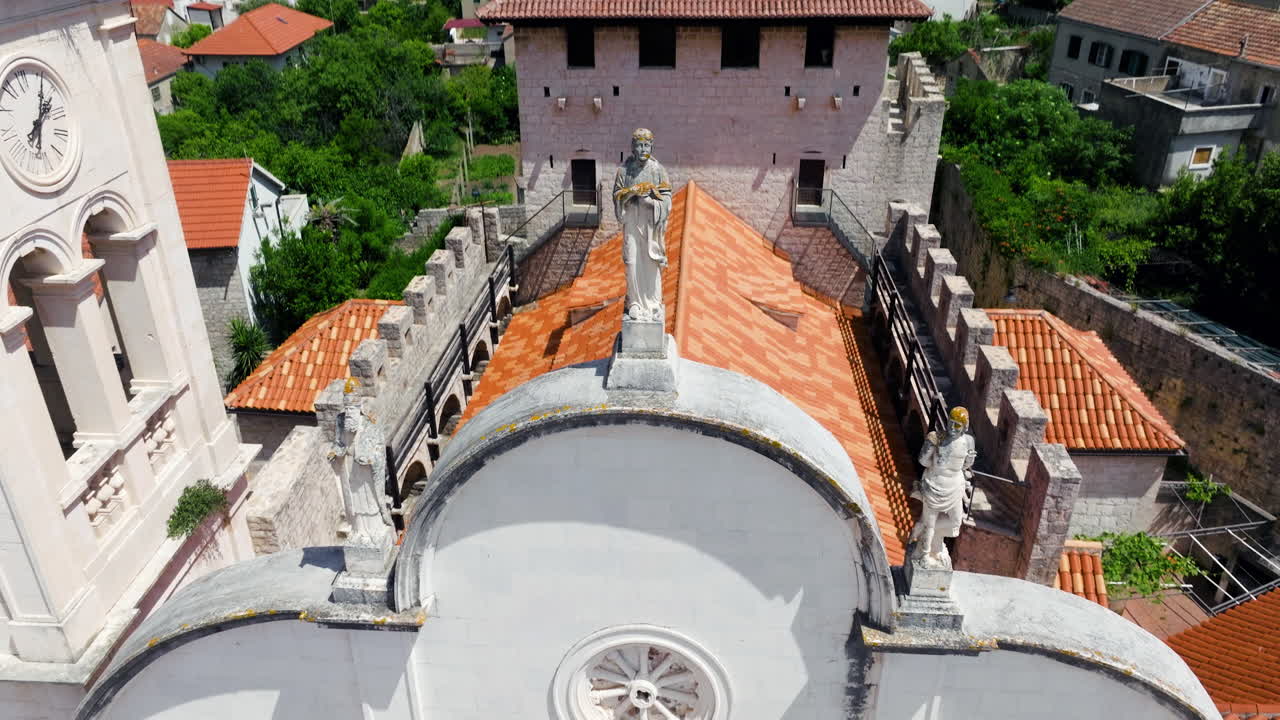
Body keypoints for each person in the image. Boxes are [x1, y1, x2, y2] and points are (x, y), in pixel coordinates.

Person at [612, 128, 672, 322]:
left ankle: (654, 303)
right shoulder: (624, 171)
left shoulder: (658, 170)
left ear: (652, 146)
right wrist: (631, 193)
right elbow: (617, 196)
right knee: (632, 261)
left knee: (650, 262)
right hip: (631, 222)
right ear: (632, 147)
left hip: (650, 224)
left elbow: (667, 199)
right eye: (639, 145)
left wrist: (650, 202)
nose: (643, 149)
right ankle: (635, 303)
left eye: (646, 145)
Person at [908, 406, 977, 568]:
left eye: (957, 425)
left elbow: (965, 466)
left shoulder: (968, 441)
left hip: (955, 486)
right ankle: (925, 554)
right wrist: (932, 450)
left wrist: (970, 459)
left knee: (955, 523)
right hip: (935, 485)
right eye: (950, 423)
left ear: (965, 426)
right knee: (931, 523)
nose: (952, 428)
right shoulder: (936, 438)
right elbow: (923, 461)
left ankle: (922, 528)